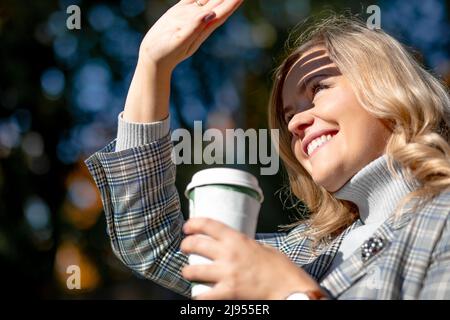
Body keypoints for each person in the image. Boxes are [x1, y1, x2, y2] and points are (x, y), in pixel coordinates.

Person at [85, 0, 450, 299]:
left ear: (389, 86)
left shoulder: (440, 220)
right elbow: (154, 244)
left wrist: (290, 293)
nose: (294, 124)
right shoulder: (306, 251)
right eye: (287, 115)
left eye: (318, 88)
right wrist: (153, 64)